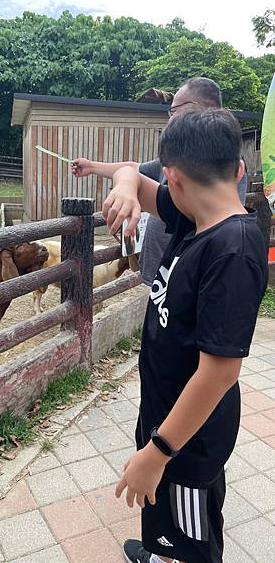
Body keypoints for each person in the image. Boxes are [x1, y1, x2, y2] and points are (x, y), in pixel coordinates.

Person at [101, 108, 267, 563]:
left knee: (195, 541)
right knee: (164, 519)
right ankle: (161, 551)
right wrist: (124, 187)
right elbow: (130, 175)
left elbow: (219, 373)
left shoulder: (231, 251)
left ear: (172, 178)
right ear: (238, 170)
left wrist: (157, 452)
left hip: (187, 443)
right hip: (166, 415)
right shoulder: (194, 213)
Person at [72, 77, 248, 286]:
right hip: (163, 274)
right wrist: (107, 175)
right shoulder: (180, 175)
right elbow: (133, 169)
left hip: (186, 275)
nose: (170, 118)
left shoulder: (228, 245)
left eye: (173, 111)